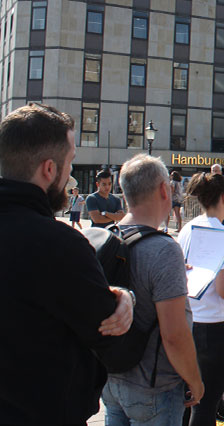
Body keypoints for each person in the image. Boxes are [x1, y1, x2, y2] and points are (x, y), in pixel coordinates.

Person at [0, 103, 134, 425]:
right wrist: (124, 296)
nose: (70, 175)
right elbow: (112, 342)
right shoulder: (61, 246)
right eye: (70, 161)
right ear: (49, 169)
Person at [102, 154, 204, 424]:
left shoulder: (109, 235)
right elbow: (174, 335)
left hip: (111, 378)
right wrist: (195, 379)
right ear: (163, 189)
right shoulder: (164, 248)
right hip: (154, 386)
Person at [178, 172, 224, 426]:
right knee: (206, 403)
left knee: (187, 400)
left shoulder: (188, 228)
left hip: (188, 322)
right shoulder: (223, 235)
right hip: (215, 328)